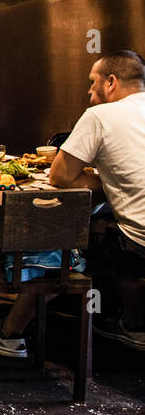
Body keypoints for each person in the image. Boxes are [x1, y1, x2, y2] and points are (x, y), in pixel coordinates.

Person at [33, 50, 145, 350]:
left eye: (92, 82)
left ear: (111, 82)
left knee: (75, 239)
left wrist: (108, 181)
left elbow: (60, 177)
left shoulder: (100, 115)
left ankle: (14, 328)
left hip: (139, 245)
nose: (89, 90)